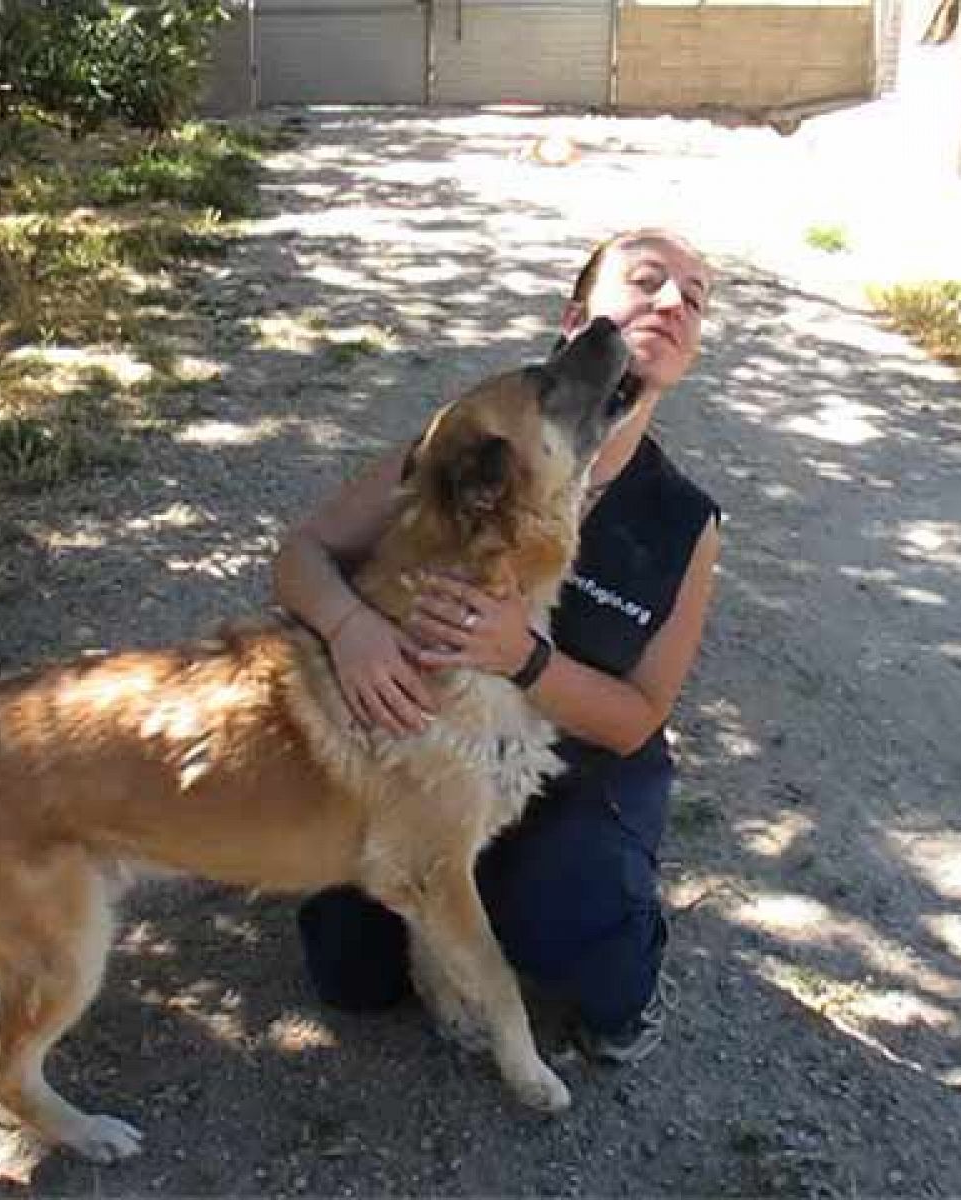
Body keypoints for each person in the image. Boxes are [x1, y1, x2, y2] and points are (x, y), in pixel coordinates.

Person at [271, 227, 722, 1064]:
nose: (672, 303)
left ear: (692, 350)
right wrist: (350, 626)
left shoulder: (683, 522)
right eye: (647, 280)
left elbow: (637, 719)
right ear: (577, 315)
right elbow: (299, 557)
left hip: (574, 775)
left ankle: (625, 966)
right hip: (436, 757)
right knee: (351, 973)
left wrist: (527, 657)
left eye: (693, 298)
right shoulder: (474, 440)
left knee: (559, 919)